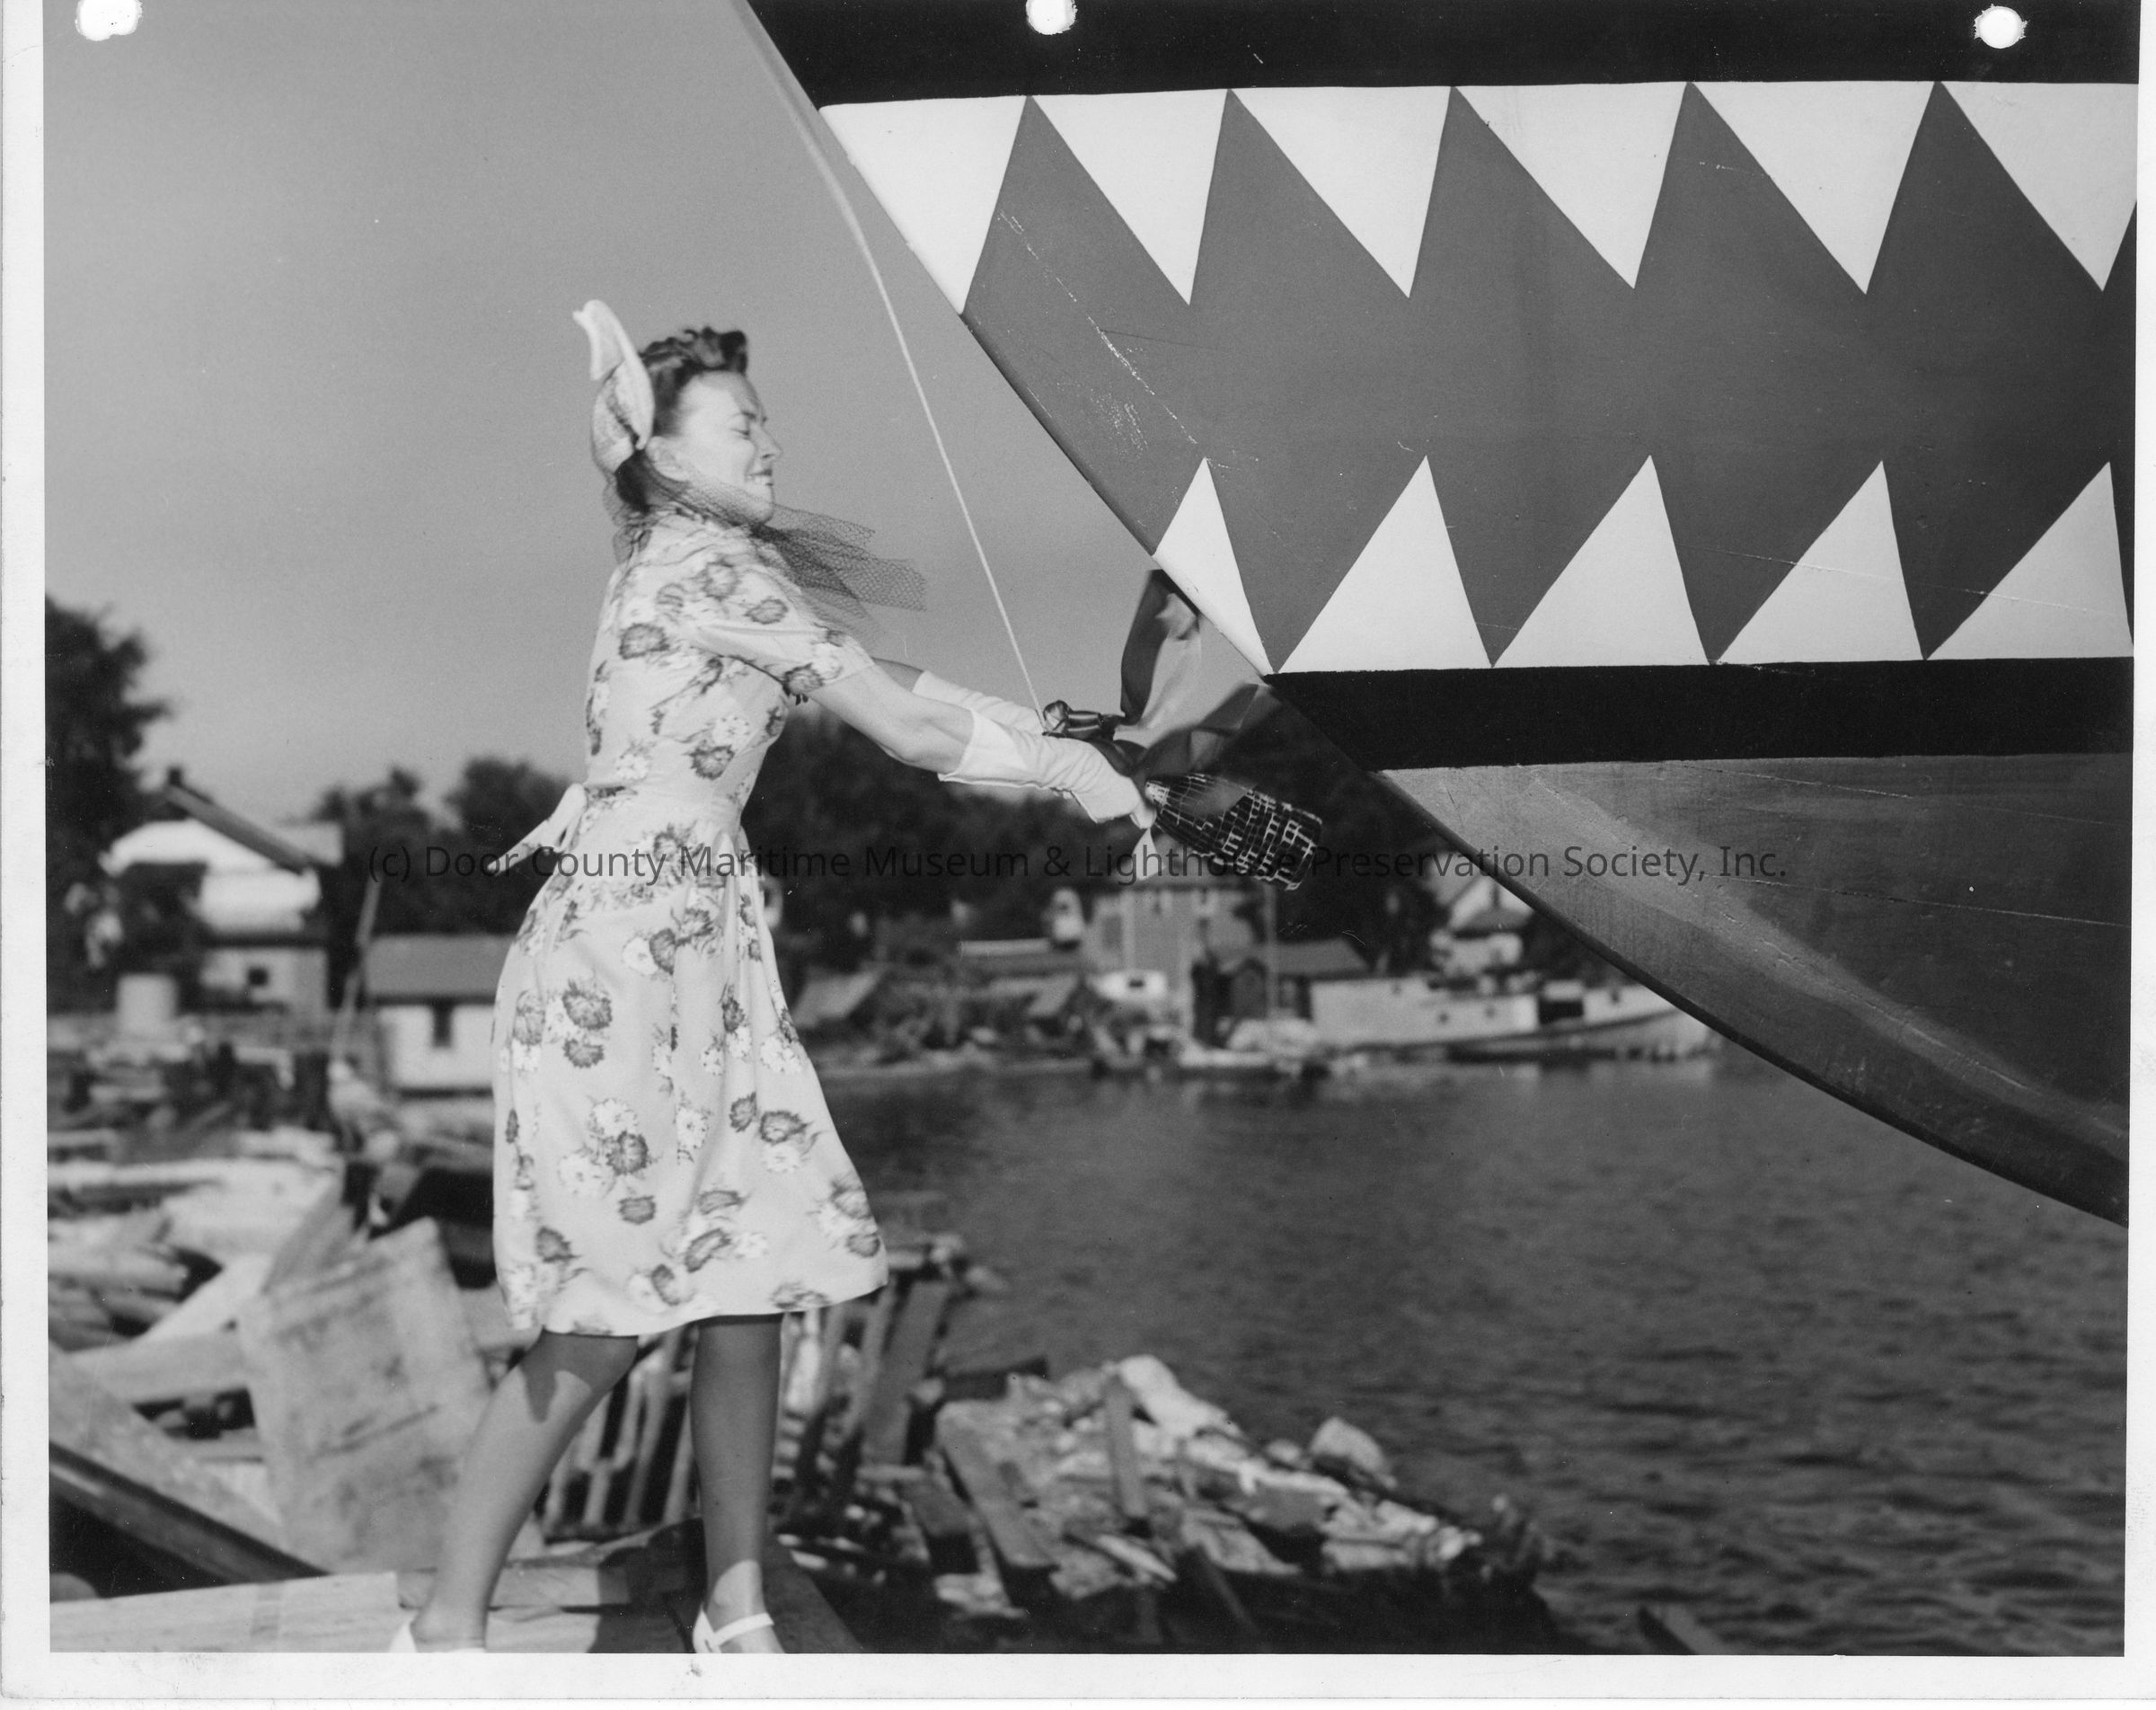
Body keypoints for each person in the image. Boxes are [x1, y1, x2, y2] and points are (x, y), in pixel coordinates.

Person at [393, 303, 1148, 1653]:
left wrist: (1069, 740)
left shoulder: (706, 573)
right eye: (741, 424)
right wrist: (1064, 771)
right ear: (665, 455)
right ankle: (445, 1631)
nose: (769, 444)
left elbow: (897, 682)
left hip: (694, 949)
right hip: (629, 962)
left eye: (767, 423)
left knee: (745, 1279)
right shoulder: (707, 569)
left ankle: (734, 1612)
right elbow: (908, 729)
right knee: (607, 1310)